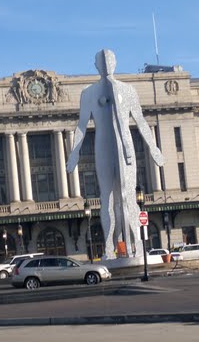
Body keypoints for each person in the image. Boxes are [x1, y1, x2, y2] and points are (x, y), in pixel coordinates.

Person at [66, 49, 165, 260]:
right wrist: (75, 153)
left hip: (126, 147)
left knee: (129, 197)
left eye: (110, 60)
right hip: (103, 148)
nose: (107, 64)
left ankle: (137, 245)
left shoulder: (128, 90)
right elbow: (81, 127)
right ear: (97, 66)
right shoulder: (89, 93)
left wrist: (153, 147)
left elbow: (140, 121)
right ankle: (110, 248)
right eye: (102, 61)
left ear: (115, 62)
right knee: (107, 199)